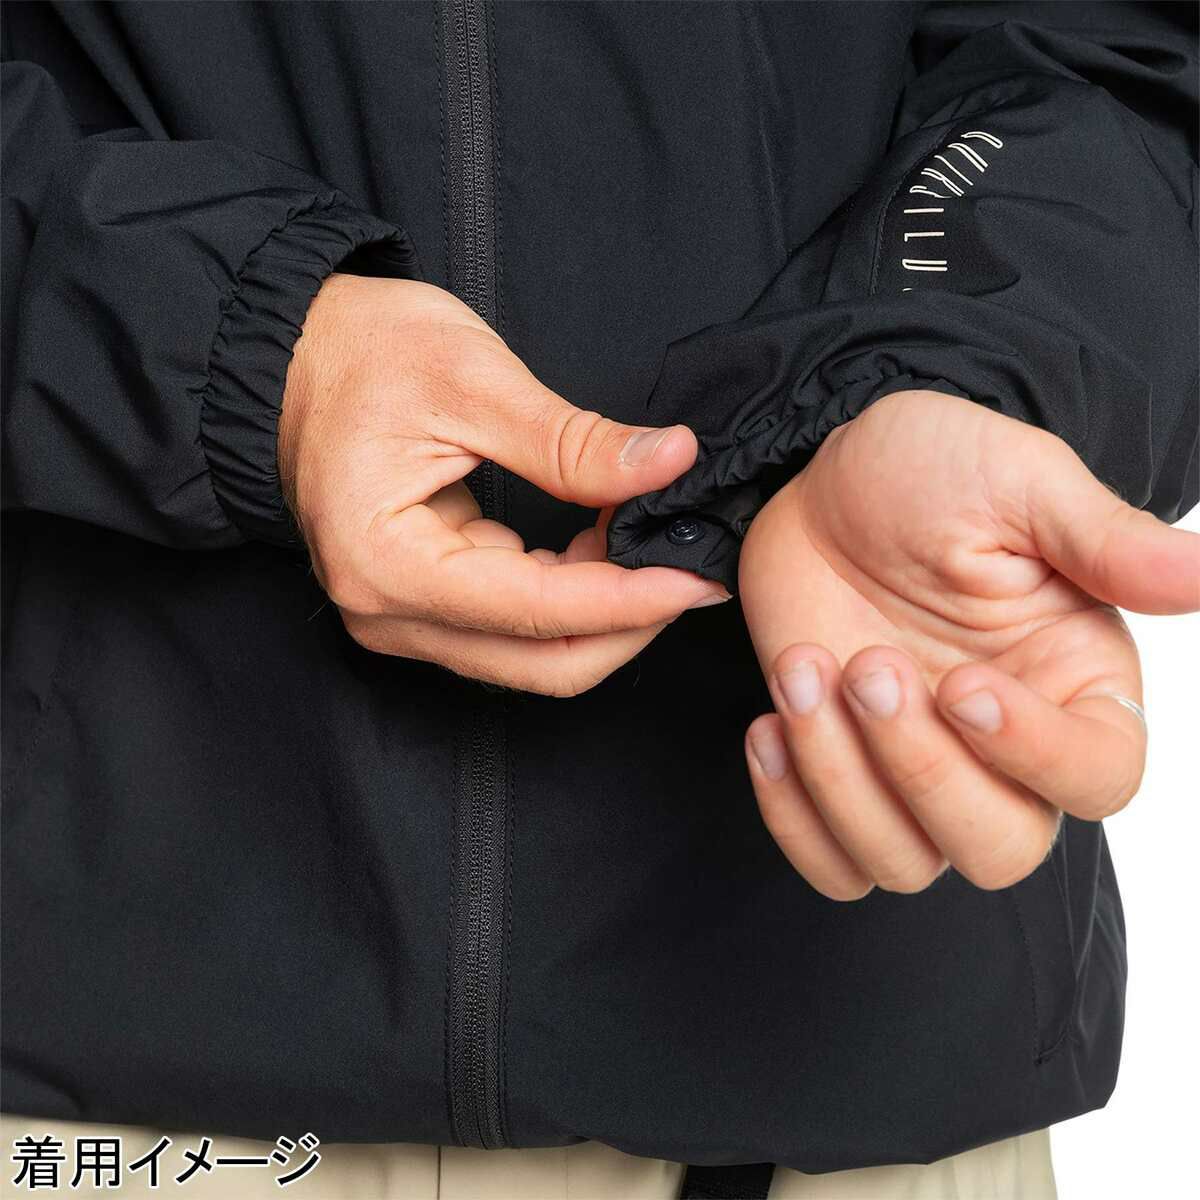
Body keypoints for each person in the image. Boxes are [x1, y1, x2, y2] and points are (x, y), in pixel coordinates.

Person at [2, 2, 1197, 1198]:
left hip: (859, 1082)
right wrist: (234, 342)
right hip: (121, 1091)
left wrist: (956, 363)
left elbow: (1132, 52)